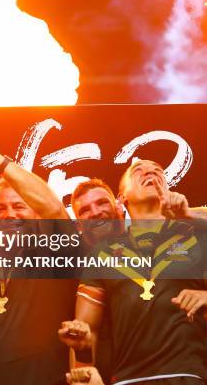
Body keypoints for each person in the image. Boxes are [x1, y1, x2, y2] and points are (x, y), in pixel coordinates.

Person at [59, 160, 207, 385]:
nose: (149, 171)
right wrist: (84, 370)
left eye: (158, 170)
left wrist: (188, 215)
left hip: (188, 376)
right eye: (138, 170)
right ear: (122, 198)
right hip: (128, 379)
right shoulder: (103, 253)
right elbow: (85, 330)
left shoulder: (196, 236)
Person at [0, 123, 78, 385]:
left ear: (36, 213)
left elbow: (54, 209)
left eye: (18, 206)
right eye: (0, 209)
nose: (10, 214)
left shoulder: (57, 253)